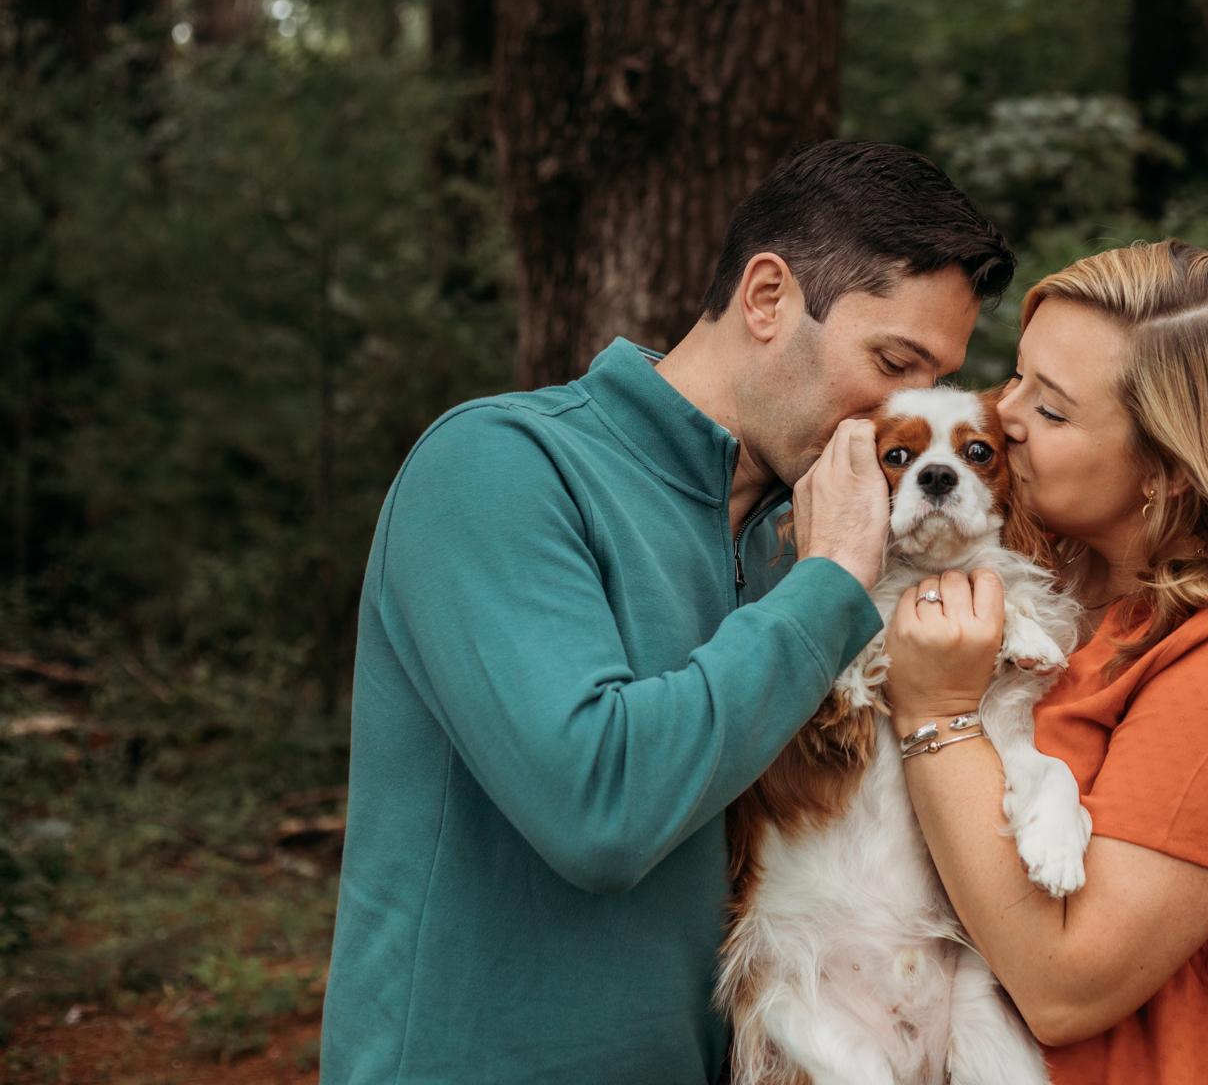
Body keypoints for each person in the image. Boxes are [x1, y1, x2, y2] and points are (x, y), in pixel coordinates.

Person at [318, 141, 1014, 1084]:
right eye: (893, 361)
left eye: (935, 378)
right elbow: (597, 806)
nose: (907, 410)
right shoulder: (498, 469)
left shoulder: (805, 536)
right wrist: (830, 583)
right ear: (767, 299)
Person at [880, 240, 1208, 1083]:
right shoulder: (1031, 588)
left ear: (1168, 470)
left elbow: (1065, 986)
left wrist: (935, 713)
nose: (1002, 415)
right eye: (1016, 376)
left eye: (1051, 411)